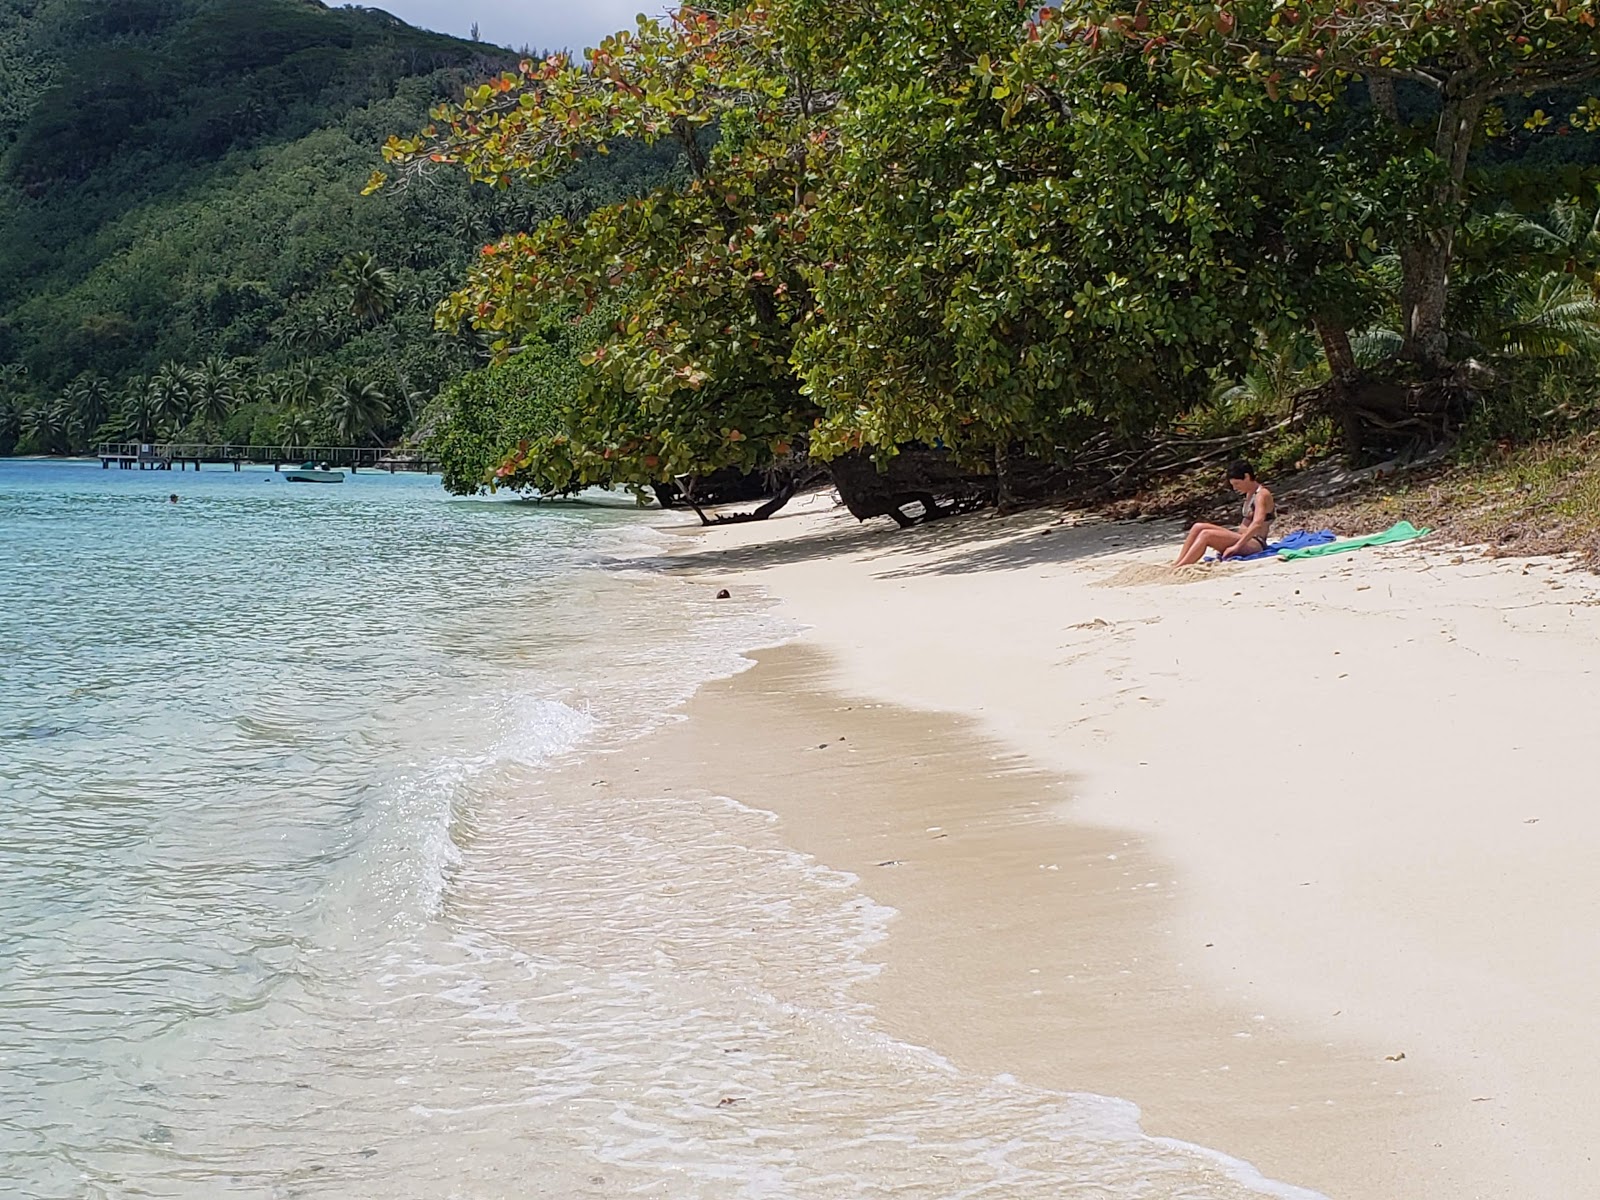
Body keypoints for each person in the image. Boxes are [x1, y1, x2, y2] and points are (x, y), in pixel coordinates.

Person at [1172, 461, 1274, 566]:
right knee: (1198, 527)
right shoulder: (1250, 494)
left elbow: (1257, 523)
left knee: (1206, 534)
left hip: (1254, 543)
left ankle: (1182, 566)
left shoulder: (1261, 495)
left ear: (1247, 477)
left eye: (1237, 484)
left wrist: (1236, 546)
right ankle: (1179, 561)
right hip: (1241, 537)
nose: (1235, 488)